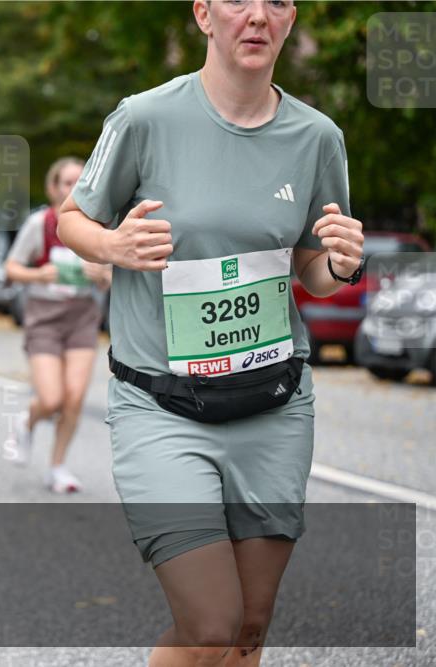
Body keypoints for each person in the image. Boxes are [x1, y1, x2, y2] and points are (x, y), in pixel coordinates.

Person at [57, 1, 364, 664]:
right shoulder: (144, 118)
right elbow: (70, 218)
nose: (257, 17)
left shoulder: (317, 137)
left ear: (291, 19)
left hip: (273, 408)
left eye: (276, 2)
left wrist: (339, 263)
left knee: (250, 626)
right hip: (161, 408)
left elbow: (313, 270)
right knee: (211, 624)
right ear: (203, 14)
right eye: (237, 1)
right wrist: (113, 245)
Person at [4, 157, 112, 493]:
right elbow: (11, 268)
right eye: (67, 182)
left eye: (80, 181)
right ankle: (27, 421)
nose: (74, 188)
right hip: (44, 318)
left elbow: (110, 279)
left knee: (74, 397)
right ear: (54, 188)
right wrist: (38, 274)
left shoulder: (98, 227)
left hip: (82, 317)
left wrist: (102, 275)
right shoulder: (40, 224)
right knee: (51, 398)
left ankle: (57, 467)